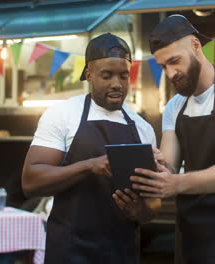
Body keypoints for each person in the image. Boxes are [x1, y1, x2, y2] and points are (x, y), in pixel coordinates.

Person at [131, 15, 215, 264]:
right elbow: (169, 166)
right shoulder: (175, 106)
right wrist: (157, 168)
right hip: (189, 234)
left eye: (174, 61)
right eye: (163, 66)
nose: (170, 73)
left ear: (195, 46)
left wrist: (177, 183)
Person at [22, 33, 161, 264]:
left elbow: (153, 205)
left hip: (122, 252)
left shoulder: (142, 128)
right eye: (106, 76)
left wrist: (141, 211)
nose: (117, 84)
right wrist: (89, 166)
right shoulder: (63, 114)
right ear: (88, 75)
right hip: (70, 251)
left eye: (124, 76)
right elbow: (30, 181)